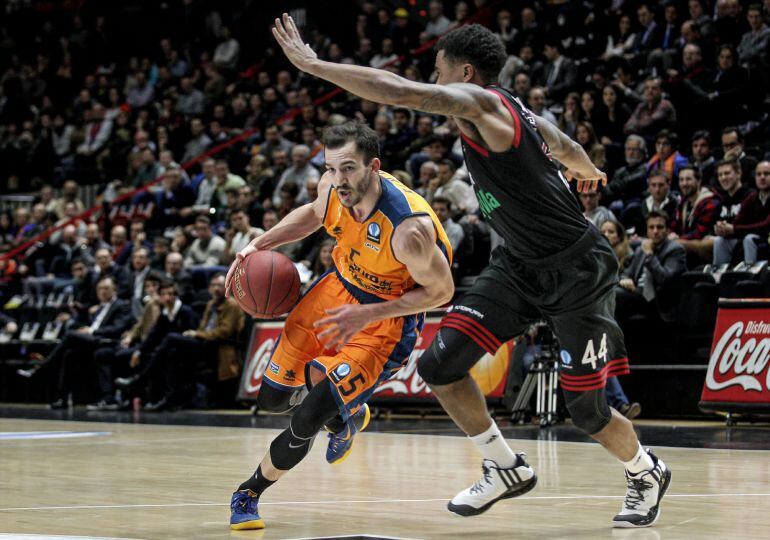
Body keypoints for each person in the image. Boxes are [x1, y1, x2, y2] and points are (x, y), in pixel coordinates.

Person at [272, 15, 670, 528]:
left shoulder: (484, 104)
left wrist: (313, 65)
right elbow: (561, 143)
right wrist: (586, 167)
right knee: (440, 365)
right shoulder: (516, 111)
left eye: (438, 73)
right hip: (520, 265)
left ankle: (646, 471)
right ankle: (503, 466)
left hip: (577, 270)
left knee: (586, 411)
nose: (433, 83)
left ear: (463, 72)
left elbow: (394, 90)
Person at [224, 121, 454, 530]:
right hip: (334, 291)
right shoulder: (332, 190)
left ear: (374, 167)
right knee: (274, 399)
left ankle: (249, 492)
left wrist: (367, 315)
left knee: (305, 417)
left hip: (384, 321)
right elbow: (312, 216)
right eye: (331, 168)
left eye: (348, 168)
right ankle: (345, 414)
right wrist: (257, 245)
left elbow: (442, 293)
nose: (338, 179)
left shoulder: (407, 230)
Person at [617, 211, 686, 324]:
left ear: (667, 230)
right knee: (609, 293)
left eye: (659, 227)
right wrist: (625, 280)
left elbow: (664, 279)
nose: (655, 231)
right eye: (651, 227)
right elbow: (627, 273)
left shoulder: (676, 250)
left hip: (658, 301)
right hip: (637, 293)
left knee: (616, 296)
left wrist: (650, 255)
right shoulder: (641, 249)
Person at [713, 160, 769, 265]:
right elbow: (738, 220)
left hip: (764, 238)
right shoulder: (753, 197)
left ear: (739, 174)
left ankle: (749, 277)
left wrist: (734, 228)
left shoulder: (748, 193)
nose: (762, 177)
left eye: (766, 174)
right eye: (758, 174)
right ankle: (718, 277)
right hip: (754, 238)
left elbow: (766, 225)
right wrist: (723, 228)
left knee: (749, 239)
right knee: (720, 241)